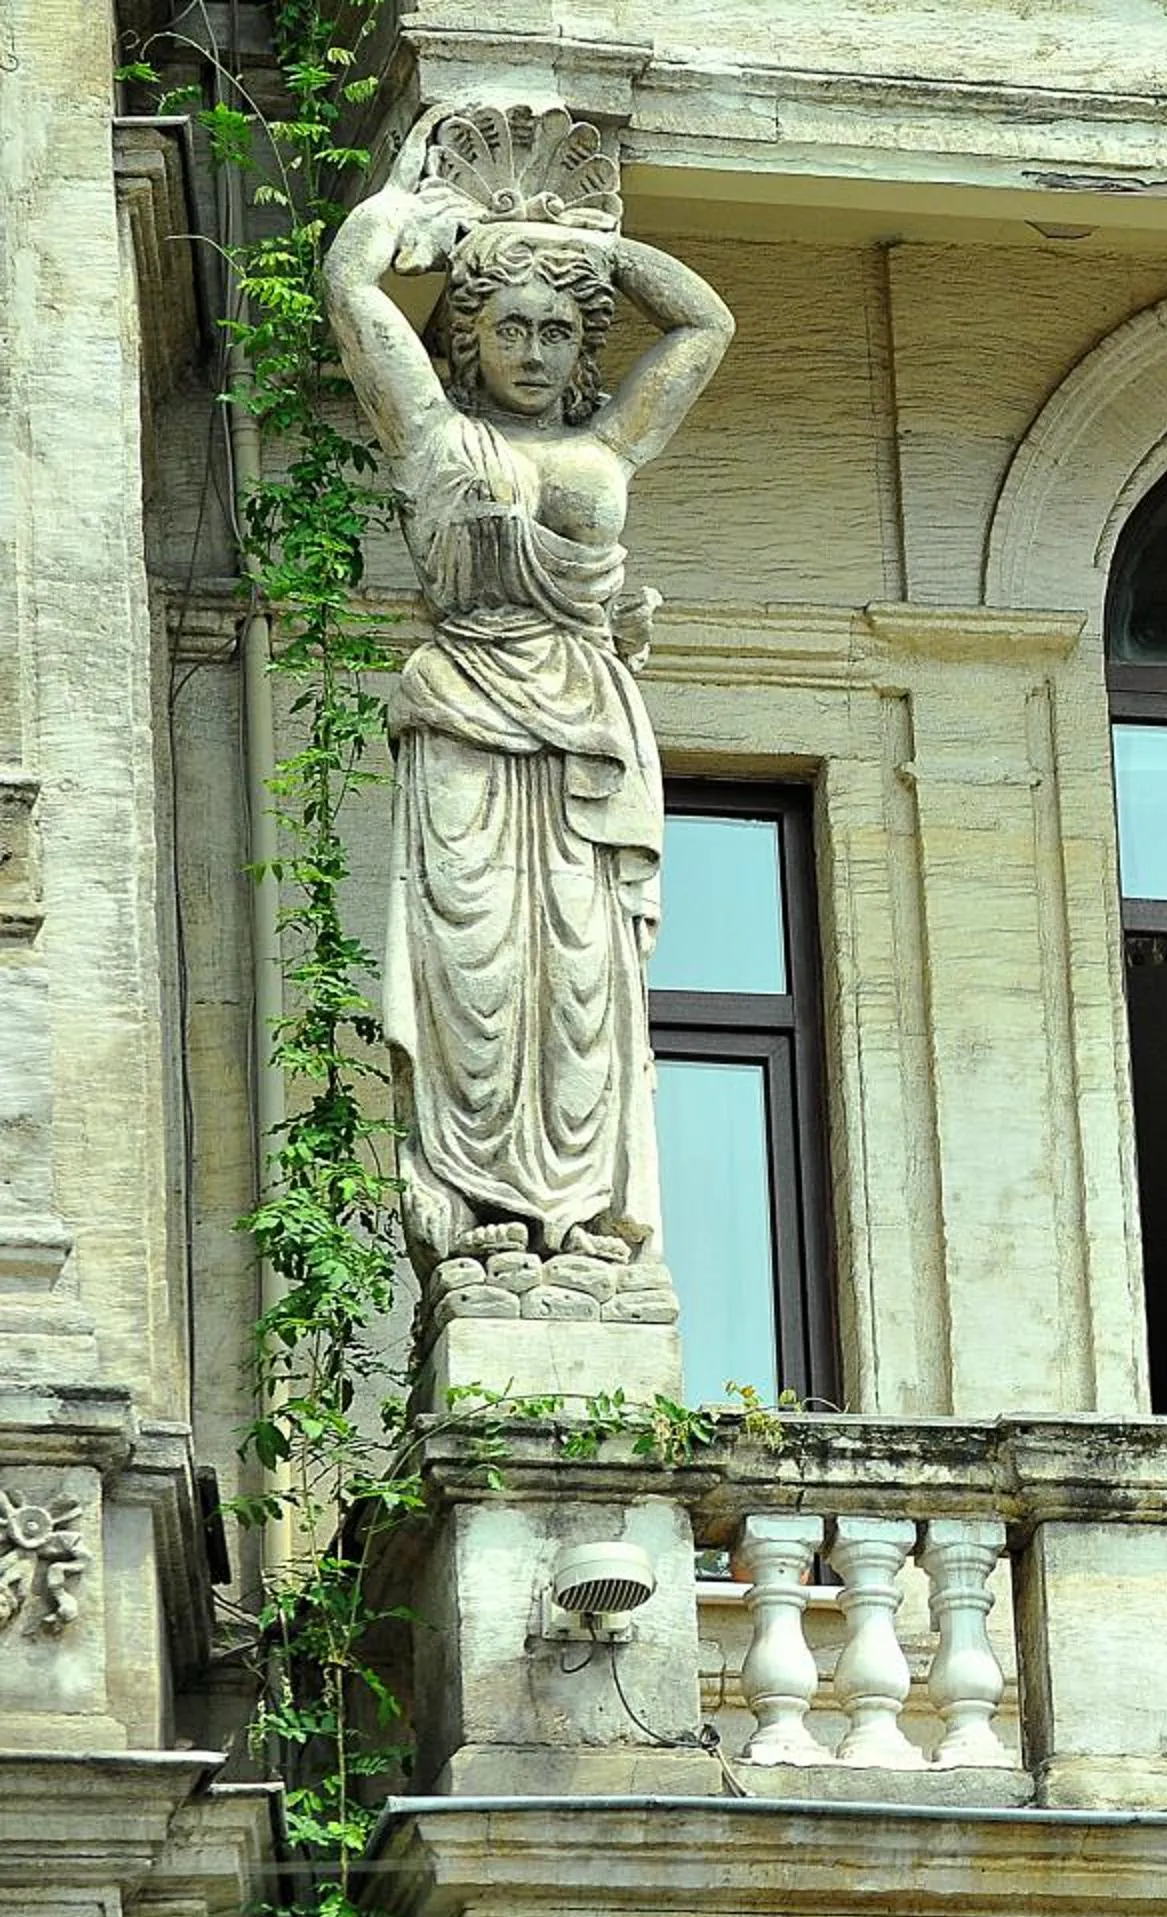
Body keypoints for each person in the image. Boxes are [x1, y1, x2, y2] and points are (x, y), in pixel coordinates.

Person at [324, 113, 733, 1270]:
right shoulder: (434, 439)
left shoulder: (611, 447)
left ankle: (581, 1219)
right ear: (470, 340)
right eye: (511, 326)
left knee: (586, 992)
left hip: (589, 733)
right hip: (466, 720)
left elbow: (707, 322)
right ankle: (483, 1216)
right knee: (477, 985)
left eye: (560, 331)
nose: (538, 351)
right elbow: (352, 288)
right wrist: (426, 223)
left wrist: (587, 252)